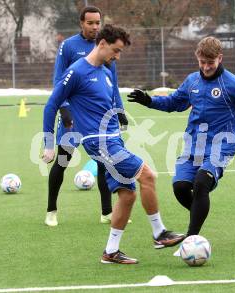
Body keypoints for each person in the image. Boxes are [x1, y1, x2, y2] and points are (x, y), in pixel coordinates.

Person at [42, 24, 185, 264]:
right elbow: (51, 104)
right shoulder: (76, 72)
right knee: (148, 176)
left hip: (113, 139)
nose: (117, 56)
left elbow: (109, 102)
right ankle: (159, 233)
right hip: (97, 142)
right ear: (102, 44)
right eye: (115, 51)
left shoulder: (107, 71)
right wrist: (48, 144)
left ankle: (111, 251)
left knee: (127, 195)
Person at [128, 37, 235, 244]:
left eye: (211, 62)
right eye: (202, 62)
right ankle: (200, 209)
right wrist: (149, 101)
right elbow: (174, 102)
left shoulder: (234, 85)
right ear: (197, 58)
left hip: (220, 148)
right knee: (180, 187)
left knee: (200, 183)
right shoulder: (192, 81)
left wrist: (229, 128)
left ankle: (191, 239)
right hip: (193, 145)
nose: (206, 67)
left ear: (220, 58)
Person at [45, 6, 129, 226]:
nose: (94, 27)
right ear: (81, 23)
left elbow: (112, 85)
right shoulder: (69, 46)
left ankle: (107, 212)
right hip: (72, 121)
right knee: (62, 162)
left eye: (98, 22)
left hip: (97, 123)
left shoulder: (108, 47)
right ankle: (51, 210)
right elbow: (59, 81)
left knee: (104, 165)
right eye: (90, 23)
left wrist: (119, 112)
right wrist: (64, 110)